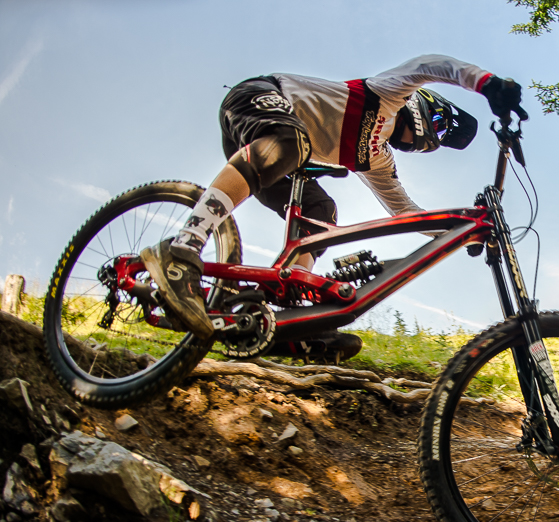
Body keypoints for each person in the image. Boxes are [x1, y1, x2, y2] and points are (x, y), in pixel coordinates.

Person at [140, 54, 527, 344]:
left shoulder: (378, 159)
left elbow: (404, 210)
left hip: (279, 156)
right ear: (424, 108)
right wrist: (486, 83)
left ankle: (286, 318)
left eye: (437, 144)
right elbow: (433, 65)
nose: (431, 142)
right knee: (290, 144)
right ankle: (181, 250)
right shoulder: (388, 93)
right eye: (438, 129)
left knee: (322, 213)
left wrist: (459, 232)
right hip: (260, 100)